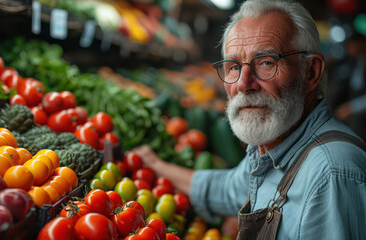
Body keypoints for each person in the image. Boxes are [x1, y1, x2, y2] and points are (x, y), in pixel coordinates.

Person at [132, 0, 366, 239]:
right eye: (233, 66)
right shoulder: (277, 145)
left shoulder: (331, 174)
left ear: (311, 72)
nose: (244, 84)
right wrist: (155, 165)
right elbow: (228, 189)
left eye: (266, 62)